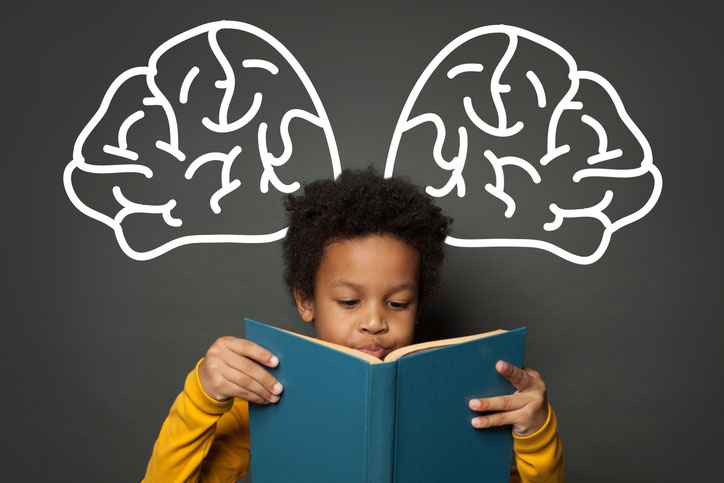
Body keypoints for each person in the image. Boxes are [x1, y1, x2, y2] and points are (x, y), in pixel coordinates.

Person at [143, 168, 564, 482]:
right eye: (349, 301)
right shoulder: (256, 397)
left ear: (419, 306)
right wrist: (202, 396)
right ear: (306, 300)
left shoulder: (471, 398)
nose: (375, 322)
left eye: (398, 302)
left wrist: (536, 434)